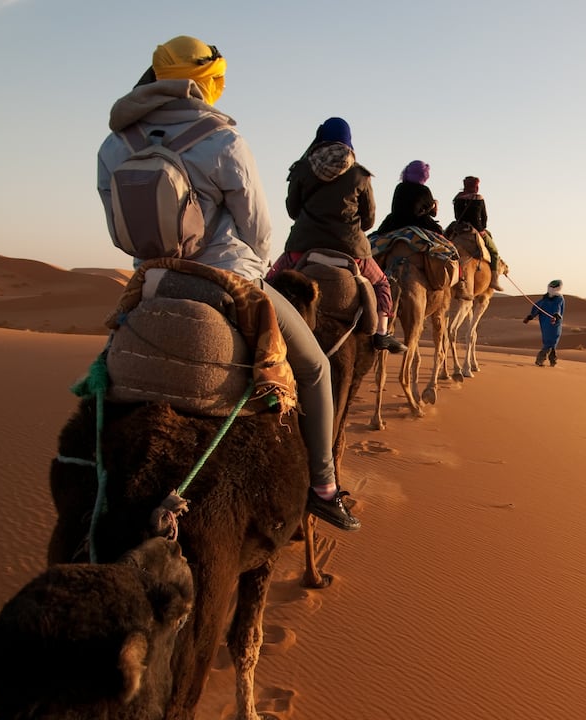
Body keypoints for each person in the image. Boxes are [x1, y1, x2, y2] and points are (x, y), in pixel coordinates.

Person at [96, 36, 359, 531]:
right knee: (317, 368)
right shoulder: (223, 140)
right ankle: (323, 487)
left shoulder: (115, 144)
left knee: (103, 368)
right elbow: (258, 229)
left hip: (152, 280)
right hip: (228, 276)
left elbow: (116, 225)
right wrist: (252, 277)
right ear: (208, 82)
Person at [277, 117, 407, 354]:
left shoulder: (302, 169)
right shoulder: (360, 175)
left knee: (271, 279)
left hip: (302, 248)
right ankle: (381, 333)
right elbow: (368, 220)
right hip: (352, 252)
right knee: (381, 283)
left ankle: (260, 327)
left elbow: (292, 210)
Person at [452, 176, 503, 290]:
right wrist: (482, 230)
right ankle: (494, 280)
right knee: (494, 252)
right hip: (476, 229)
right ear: (475, 186)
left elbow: (456, 216)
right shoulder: (478, 198)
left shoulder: (457, 198)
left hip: (459, 228)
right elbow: (483, 217)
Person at [375, 160, 445, 235]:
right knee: (441, 236)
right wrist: (434, 204)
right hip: (418, 223)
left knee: (375, 237)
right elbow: (432, 213)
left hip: (394, 222)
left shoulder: (399, 187)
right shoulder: (424, 190)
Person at [523, 279, 566, 367]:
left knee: (552, 341)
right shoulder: (545, 299)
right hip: (547, 323)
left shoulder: (558, 298)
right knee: (550, 342)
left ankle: (549, 360)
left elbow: (557, 309)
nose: (551, 288)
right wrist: (530, 316)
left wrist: (555, 316)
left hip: (554, 323)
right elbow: (537, 307)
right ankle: (543, 360)